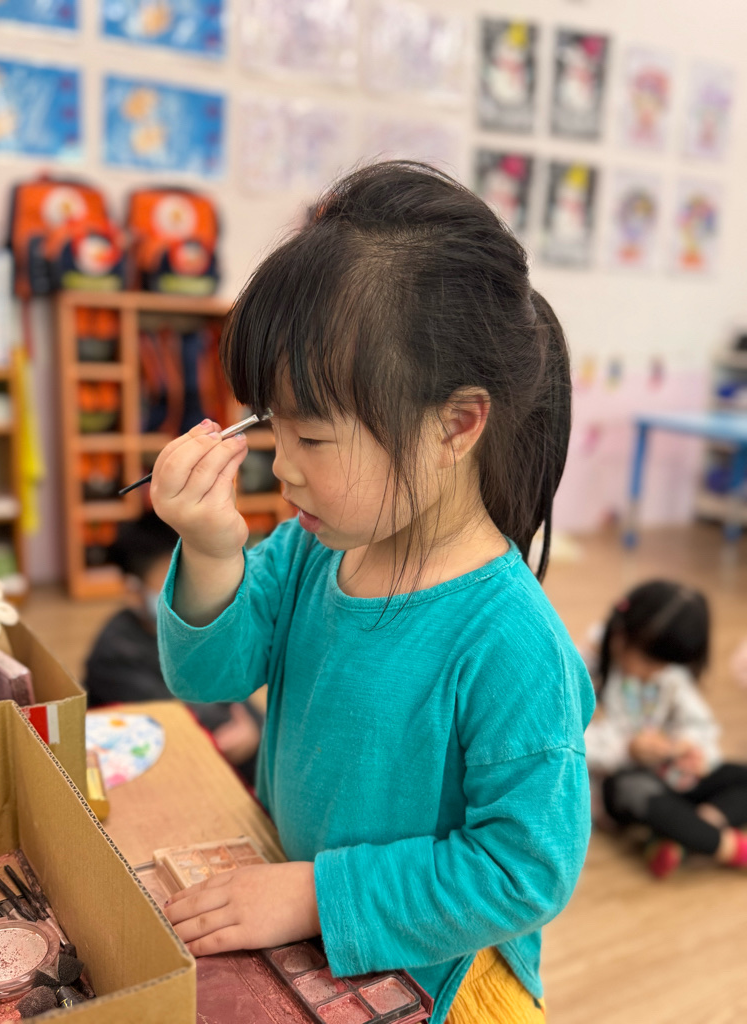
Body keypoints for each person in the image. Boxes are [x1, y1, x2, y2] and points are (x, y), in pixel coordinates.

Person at [151, 162, 595, 1024]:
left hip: (444, 979)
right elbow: (210, 676)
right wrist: (208, 548)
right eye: (272, 429)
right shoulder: (313, 548)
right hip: (308, 931)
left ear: (455, 426)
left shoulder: (512, 642)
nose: (283, 469)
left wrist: (316, 895)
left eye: (313, 438)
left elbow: (524, 871)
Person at [584, 579, 747, 878]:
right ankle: (725, 846)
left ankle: (682, 835)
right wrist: (628, 750)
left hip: (672, 778)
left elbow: (699, 723)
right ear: (621, 637)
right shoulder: (584, 670)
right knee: (631, 787)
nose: (658, 673)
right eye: (650, 663)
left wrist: (694, 749)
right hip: (619, 786)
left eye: (667, 665)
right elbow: (570, 743)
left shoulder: (669, 669)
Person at [83, 511, 262, 783]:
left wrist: (255, 731)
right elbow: (186, 723)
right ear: (134, 593)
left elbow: (237, 693)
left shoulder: (195, 630)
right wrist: (249, 734)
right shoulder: (116, 655)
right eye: (172, 583)